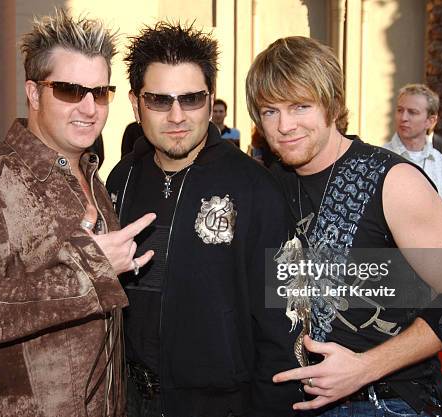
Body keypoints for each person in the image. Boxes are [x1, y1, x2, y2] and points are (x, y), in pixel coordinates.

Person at [245, 36, 442, 416]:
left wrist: (363, 368)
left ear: (333, 105)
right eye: (270, 111)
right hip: (293, 399)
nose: (284, 125)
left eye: (300, 106)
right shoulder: (266, 184)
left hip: (387, 401)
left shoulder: (392, 180)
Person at [0, 9, 155, 417]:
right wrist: (89, 269)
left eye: (100, 92)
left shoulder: (91, 177)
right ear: (33, 93)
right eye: (70, 90)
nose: (90, 108)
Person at [106, 22, 301, 417]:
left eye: (191, 99)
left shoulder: (255, 188)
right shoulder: (122, 178)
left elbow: (285, 329)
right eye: (159, 100)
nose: (177, 116)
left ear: (211, 100)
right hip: (129, 401)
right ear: (135, 102)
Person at [384, 84, 442, 235]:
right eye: (400, 110)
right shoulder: (378, 160)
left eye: (412, 112)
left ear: (431, 121)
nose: (403, 118)